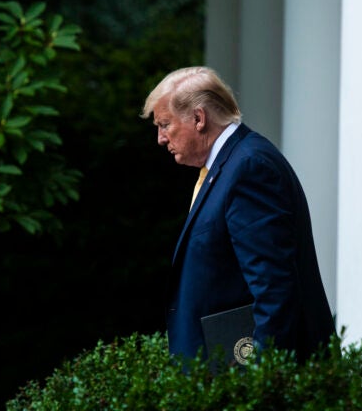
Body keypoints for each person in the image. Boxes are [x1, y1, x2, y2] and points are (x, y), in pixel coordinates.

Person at [140, 66, 335, 365]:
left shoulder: (248, 167)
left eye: (165, 124)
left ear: (198, 118)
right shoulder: (231, 165)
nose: (160, 138)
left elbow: (273, 288)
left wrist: (261, 381)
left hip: (246, 376)